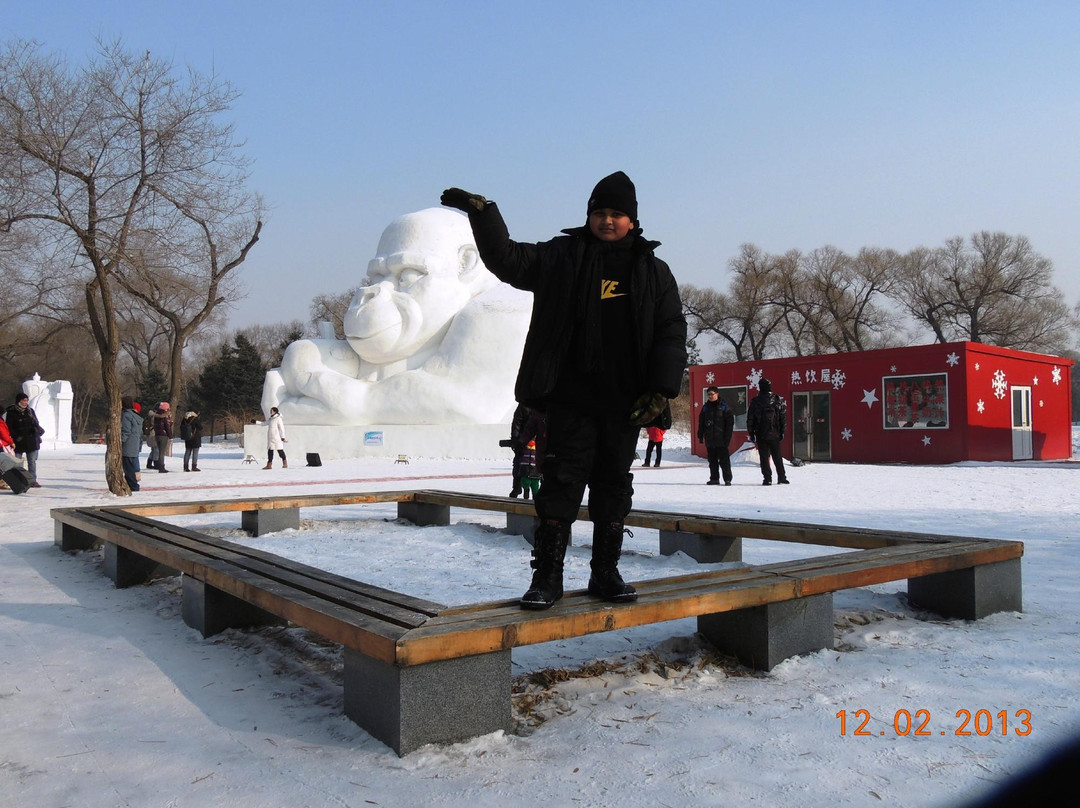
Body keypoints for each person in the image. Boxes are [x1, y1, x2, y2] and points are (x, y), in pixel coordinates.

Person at [441, 171, 687, 610]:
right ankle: (547, 578)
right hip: (569, 398)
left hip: (624, 403)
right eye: (600, 213)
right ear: (589, 216)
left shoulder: (653, 271)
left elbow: (671, 330)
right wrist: (484, 215)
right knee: (560, 487)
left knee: (613, 487)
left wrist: (661, 388)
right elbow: (509, 260)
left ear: (632, 220)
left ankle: (606, 573)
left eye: (617, 214)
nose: (607, 221)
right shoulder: (563, 257)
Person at [746, 378, 789, 485]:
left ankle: (767, 478)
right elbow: (782, 416)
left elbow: (750, 418)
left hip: (761, 433)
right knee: (777, 456)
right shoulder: (776, 399)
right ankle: (782, 477)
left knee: (764, 457)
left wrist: (751, 433)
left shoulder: (755, 401)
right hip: (774, 433)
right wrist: (782, 430)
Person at [4, 392, 44, 487]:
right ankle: (21, 480)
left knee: (32, 462)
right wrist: (16, 437)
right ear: (19, 401)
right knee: (18, 463)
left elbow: (36, 422)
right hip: (18, 441)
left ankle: (32, 480)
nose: (26, 402)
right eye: (23, 400)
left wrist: (36, 430)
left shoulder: (30, 411)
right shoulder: (11, 412)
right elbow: (9, 427)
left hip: (31, 440)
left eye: (27, 400)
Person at [697, 386, 734, 485]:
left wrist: (727, 438)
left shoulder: (724, 406)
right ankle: (714, 479)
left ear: (717, 394)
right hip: (710, 439)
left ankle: (727, 479)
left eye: (712, 394)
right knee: (712, 461)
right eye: (708, 394)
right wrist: (700, 435)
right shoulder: (705, 407)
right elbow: (701, 422)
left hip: (721, 439)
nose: (710, 396)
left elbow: (730, 424)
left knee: (724, 461)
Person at [120, 396, 142, 491]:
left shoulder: (126, 415)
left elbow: (126, 430)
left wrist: (121, 441)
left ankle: (133, 486)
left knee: (128, 467)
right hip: (135, 444)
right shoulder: (136, 415)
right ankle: (131, 483)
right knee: (132, 466)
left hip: (128, 445)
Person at [152, 402, 173, 473]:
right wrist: (170, 435)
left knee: (159, 451)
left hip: (157, 434)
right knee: (162, 452)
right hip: (163, 435)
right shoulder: (165, 415)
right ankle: (161, 467)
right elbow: (167, 426)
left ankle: (159, 465)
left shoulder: (156, 415)